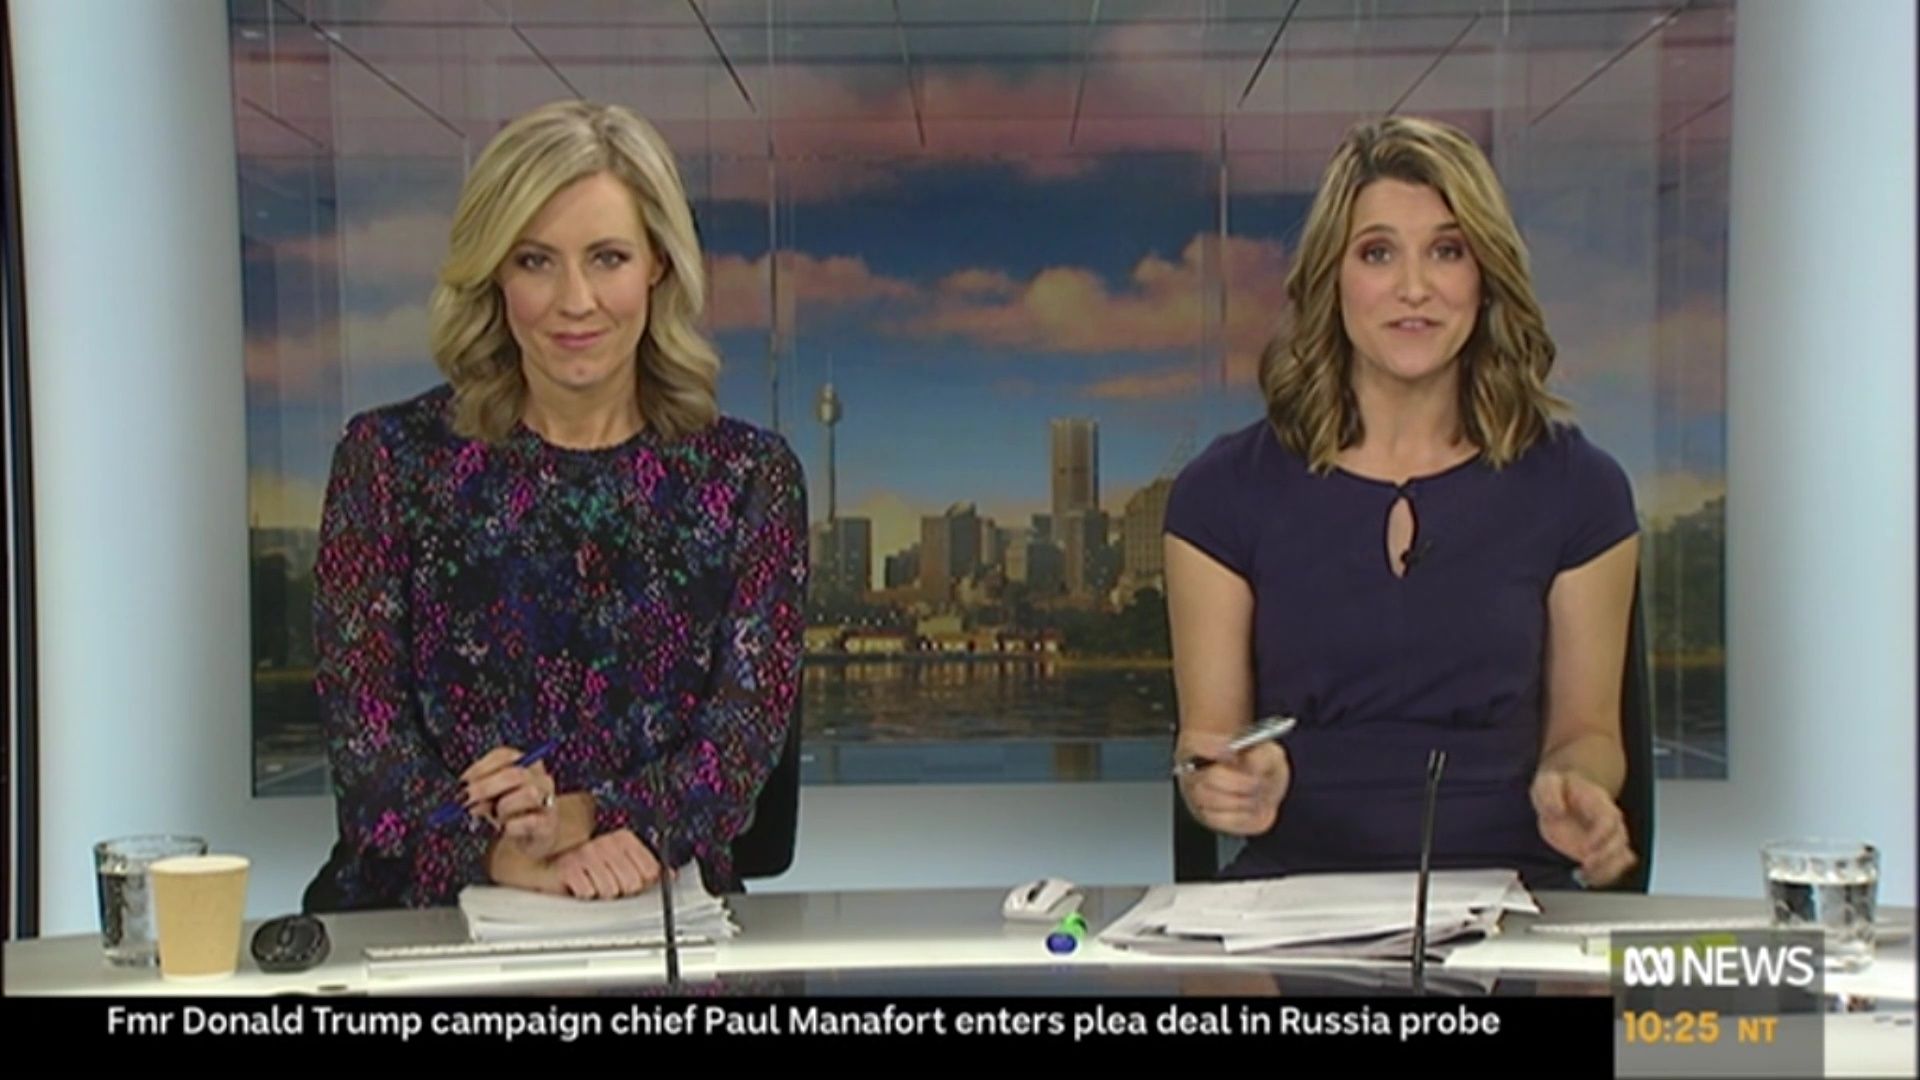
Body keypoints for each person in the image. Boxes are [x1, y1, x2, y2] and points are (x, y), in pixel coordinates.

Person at [302, 100, 807, 911]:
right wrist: (497, 855)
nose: (576, 301)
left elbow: (739, 749)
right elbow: (368, 753)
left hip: (653, 903)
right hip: (425, 915)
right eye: (536, 261)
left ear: (658, 266)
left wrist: (585, 818)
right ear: (495, 273)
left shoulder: (749, 478)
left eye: (607, 258)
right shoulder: (388, 462)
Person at [1163, 116, 1640, 892]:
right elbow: (1208, 742)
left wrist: (1577, 786)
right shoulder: (1220, 494)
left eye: (1447, 251)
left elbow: (1589, 733)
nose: (1414, 288)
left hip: (1515, 900)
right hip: (1291, 904)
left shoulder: (1580, 487)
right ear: (1333, 276)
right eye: (1378, 253)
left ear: (1485, 275)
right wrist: (1227, 780)